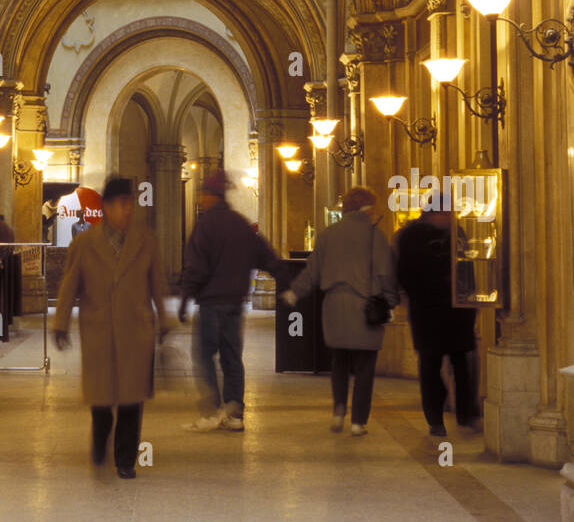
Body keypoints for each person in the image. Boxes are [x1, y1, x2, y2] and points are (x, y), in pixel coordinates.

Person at [54, 175, 170, 479]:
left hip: (136, 331)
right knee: (102, 400)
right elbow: (69, 285)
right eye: (121, 204)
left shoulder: (146, 241)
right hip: (99, 330)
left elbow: (157, 283)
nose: (127, 210)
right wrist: (60, 322)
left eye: (130, 203)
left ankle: (125, 460)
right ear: (106, 207)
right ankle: (99, 440)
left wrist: (166, 320)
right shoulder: (84, 243)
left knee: (132, 400)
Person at [283, 185, 399, 436]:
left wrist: (295, 291)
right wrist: (391, 301)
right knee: (365, 367)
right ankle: (358, 421)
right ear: (367, 207)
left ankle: (338, 411)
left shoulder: (328, 235)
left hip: (334, 307)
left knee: (339, 362)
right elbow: (385, 273)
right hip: (365, 308)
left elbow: (312, 270)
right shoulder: (374, 235)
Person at [179, 169, 286, 432]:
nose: (200, 200)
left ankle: (213, 409)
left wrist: (185, 297)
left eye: (202, 195)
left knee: (204, 356)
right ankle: (235, 411)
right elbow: (267, 256)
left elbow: (197, 267)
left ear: (209, 195)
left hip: (211, 303)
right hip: (235, 304)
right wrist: (286, 282)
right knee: (232, 357)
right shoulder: (240, 223)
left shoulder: (205, 226)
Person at [395, 196, 481, 437]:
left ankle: (465, 414)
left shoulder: (456, 232)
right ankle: (435, 418)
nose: (450, 216)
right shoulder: (411, 236)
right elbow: (404, 273)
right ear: (435, 212)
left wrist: (469, 297)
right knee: (431, 365)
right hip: (428, 311)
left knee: (462, 363)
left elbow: (467, 267)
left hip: (457, 311)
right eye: (446, 212)